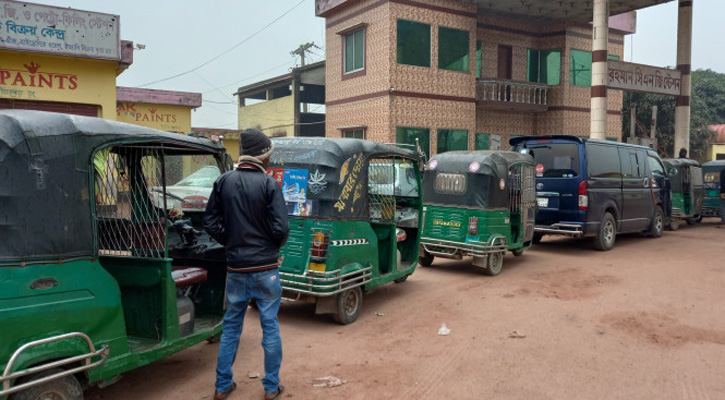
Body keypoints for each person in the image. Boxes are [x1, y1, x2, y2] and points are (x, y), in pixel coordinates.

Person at [203, 129, 289, 400]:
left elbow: (210, 223)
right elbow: (281, 228)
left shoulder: (223, 181)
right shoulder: (269, 185)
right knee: (270, 326)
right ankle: (271, 388)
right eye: (269, 154)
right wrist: (270, 247)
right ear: (263, 155)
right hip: (266, 269)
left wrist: (231, 242)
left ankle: (222, 386)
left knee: (231, 327)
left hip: (236, 268)